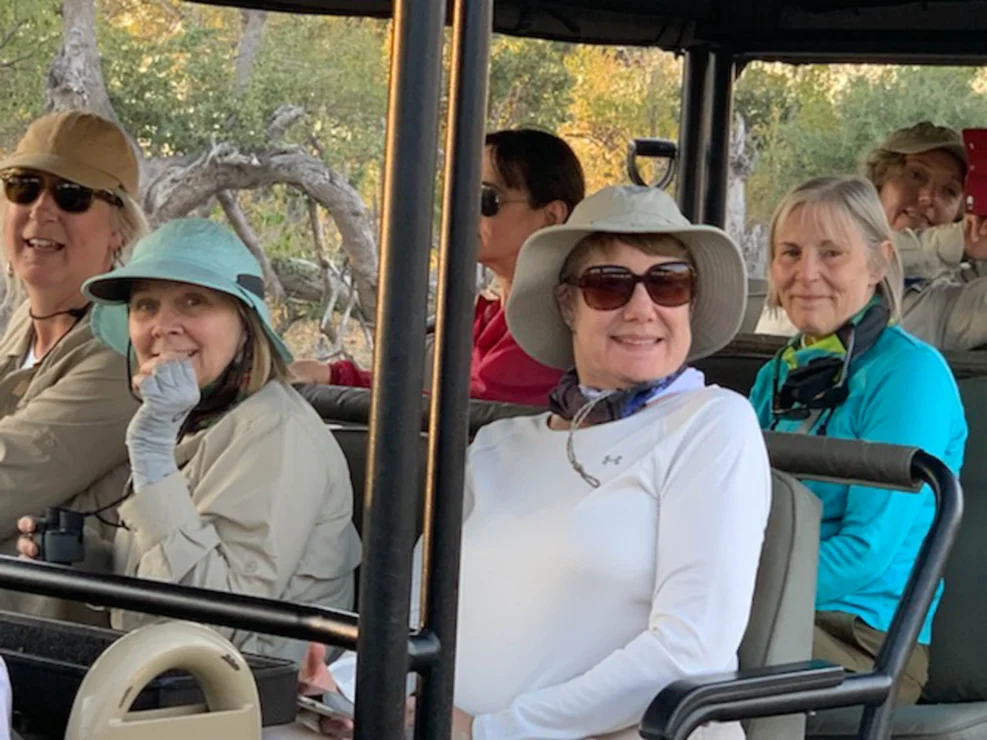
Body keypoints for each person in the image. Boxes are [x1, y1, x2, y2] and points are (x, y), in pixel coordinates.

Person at [314, 185, 771, 739]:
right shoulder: (500, 444)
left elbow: (691, 651)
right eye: (609, 286)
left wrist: (488, 731)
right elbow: (414, 614)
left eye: (669, 283)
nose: (643, 308)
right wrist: (346, 691)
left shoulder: (712, 424)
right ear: (566, 304)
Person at [17, 218, 361, 665]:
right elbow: (173, 581)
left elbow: (216, 628)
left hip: (259, 707)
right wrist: (94, 561)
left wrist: (152, 450)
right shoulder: (200, 421)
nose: (163, 326)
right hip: (168, 682)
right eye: (145, 306)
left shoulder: (276, 432)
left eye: (193, 302)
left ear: (245, 325)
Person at [749, 176, 967, 704]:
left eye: (832, 253)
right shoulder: (774, 377)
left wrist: (730, 592)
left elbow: (866, 552)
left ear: (877, 263)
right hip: (770, 611)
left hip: (864, 642)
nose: (807, 273)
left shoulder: (909, 375)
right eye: (791, 252)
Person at [291, 128, 585, 406]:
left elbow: (469, 409)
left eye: (486, 198)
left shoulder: (553, 322)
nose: (465, 211)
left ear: (550, 217)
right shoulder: (490, 315)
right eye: (461, 196)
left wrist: (335, 377)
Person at [0, 111, 146, 617]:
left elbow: (10, 476)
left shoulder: (124, 347)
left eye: (72, 194)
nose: (42, 209)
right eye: (22, 186)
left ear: (119, 231)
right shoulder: (27, 322)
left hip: (57, 654)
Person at [757, 121, 987, 350]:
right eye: (915, 175)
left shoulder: (945, 302)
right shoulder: (813, 270)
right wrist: (960, 240)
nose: (928, 197)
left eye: (949, 191)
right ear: (879, 183)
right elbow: (866, 250)